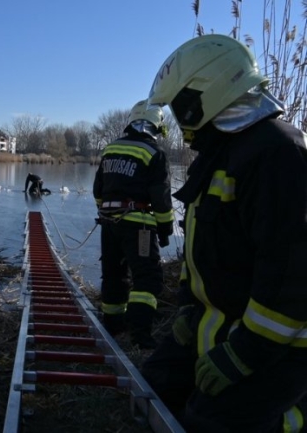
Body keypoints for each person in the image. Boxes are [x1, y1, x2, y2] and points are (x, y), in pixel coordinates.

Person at [140, 34, 307, 432]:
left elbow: (291, 276)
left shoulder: (277, 153)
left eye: (180, 108)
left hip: (281, 348)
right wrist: (187, 308)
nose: (180, 124)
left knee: (211, 423)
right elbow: (200, 251)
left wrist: (245, 354)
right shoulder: (219, 155)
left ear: (205, 95)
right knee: (154, 390)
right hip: (222, 330)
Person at [92, 100, 174, 349]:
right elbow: (161, 197)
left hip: (109, 223)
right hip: (139, 227)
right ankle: (141, 336)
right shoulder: (154, 153)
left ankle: (113, 325)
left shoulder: (110, 149)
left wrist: (106, 212)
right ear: (157, 126)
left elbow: (98, 190)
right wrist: (165, 229)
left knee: (113, 274)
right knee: (147, 279)